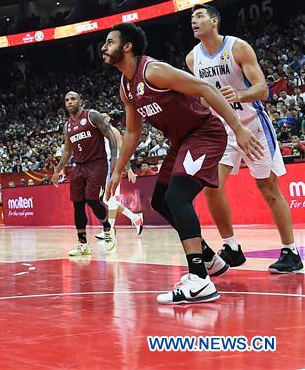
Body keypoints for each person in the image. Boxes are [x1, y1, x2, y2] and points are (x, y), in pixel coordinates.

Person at [102, 23, 264, 305]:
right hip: (182, 142)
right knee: (162, 201)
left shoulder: (153, 71)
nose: (103, 47)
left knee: (178, 197)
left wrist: (237, 128)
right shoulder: (126, 87)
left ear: (127, 47)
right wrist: (117, 170)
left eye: (109, 42)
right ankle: (211, 260)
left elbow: (203, 87)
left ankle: (200, 279)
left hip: (205, 133)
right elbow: (132, 132)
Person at [186, 4, 301, 273]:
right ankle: (232, 248)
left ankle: (291, 252)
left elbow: (263, 90)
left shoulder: (237, 48)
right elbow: (201, 95)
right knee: (212, 187)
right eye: (192, 18)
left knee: (269, 189)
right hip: (222, 130)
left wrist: (239, 95)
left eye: (200, 16)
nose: (194, 21)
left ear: (214, 21)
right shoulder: (193, 59)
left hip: (253, 125)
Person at [51, 92, 118, 256]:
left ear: (80, 101)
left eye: (73, 99)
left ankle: (108, 230)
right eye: (66, 100)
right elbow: (67, 150)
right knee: (78, 204)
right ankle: (82, 243)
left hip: (97, 163)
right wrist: (58, 169)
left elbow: (110, 136)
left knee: (92, 199)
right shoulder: (67, 125)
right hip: (78, 167)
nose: (69, 102)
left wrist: (115, 158)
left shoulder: (92, 116)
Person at [95, 113, 144, 240]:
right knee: (107, 200)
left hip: (114, 167)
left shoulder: (114, 131)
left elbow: (123, 150)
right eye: (101, 117)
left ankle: (109, 230)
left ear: (109, 119)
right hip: (104, 168)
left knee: (110, 199)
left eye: (105, 117)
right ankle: (135, 218)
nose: (103, 119)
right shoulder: (101, 134)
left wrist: (128, 169)